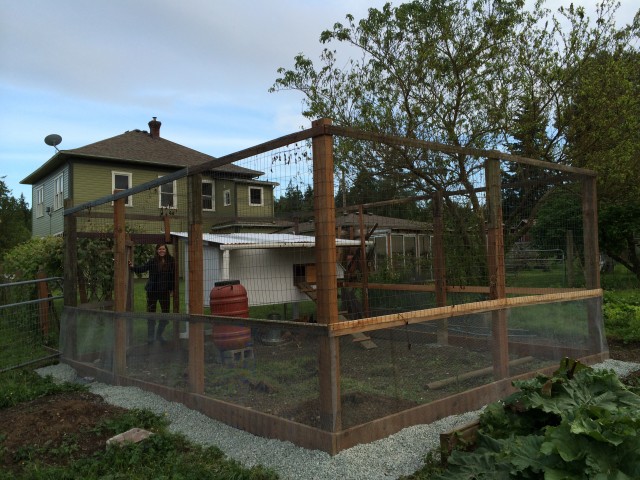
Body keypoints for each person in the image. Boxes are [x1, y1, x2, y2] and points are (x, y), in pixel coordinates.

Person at [129, 243, 176, 344]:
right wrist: (133, 267)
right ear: (157, 250)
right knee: (151, 314)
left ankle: (159, 335)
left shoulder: (171, 261)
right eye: (159, 249)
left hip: (164, 292)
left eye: (163, 249)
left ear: (166, 250)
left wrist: (172, 289)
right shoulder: (153, 261)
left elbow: (173, 276)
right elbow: (143, 268)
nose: (161, 251)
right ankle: (150, 337)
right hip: (152, 291)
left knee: (165, 314)